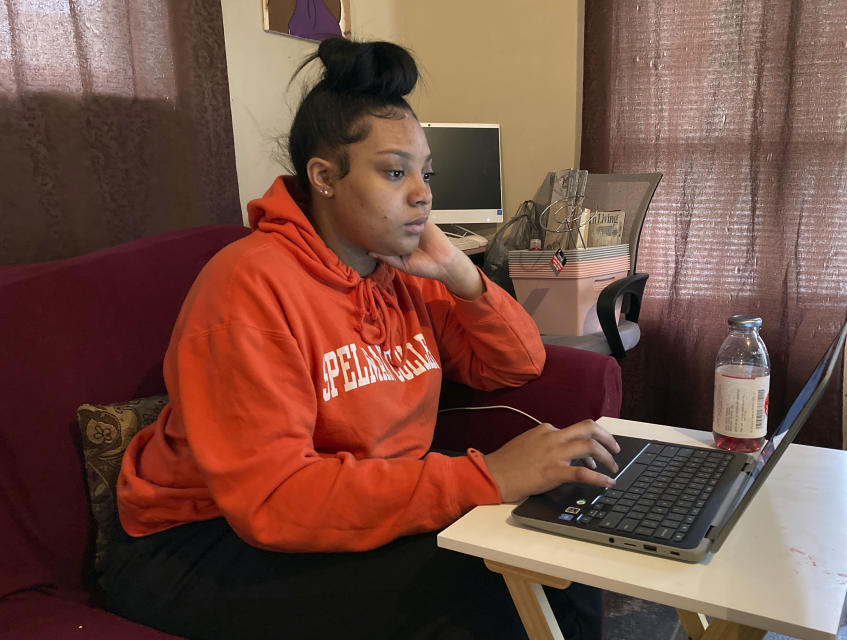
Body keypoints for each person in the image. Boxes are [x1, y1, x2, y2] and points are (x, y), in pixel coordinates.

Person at [101, 37, 620, 639]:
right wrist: (487, 478)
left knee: (557, 551)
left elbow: (517, 364)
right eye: (395, 173)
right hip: (199, 538)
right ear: (324, 177)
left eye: (426, 174)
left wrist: (460, 272)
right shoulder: (248, 287)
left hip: (347, 500)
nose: (423, 194)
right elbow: (275, 501)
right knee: (494, 591)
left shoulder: (402, 269)